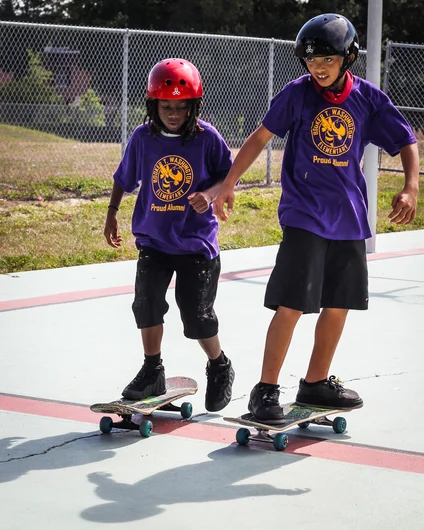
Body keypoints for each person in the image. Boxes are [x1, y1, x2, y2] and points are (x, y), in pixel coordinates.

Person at [214, 14, 419, 422]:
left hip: (348, 219)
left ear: (349, 57)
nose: (318, 68)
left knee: (339, 304)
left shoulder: (368, 99)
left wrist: (411, 186)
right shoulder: (297, 95)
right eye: (310, 61)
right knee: (291, 305)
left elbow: (406, 141)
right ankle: (265, 391)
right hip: (305, 215)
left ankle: (316, 383)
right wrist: (229, 182)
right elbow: (259, 138)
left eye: (326, 59)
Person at [104, 58, 235, 412]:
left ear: (193, 106)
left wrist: (209, 195)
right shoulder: (143, 138)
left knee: (196, 317)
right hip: (154, 241)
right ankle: (152, 370)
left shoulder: (207, 138)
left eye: (181, 106)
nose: (173, 113)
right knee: (146, 305)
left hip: (196, 245)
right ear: (153, 105)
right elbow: (124, 178)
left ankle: (219, 365)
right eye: (166, 106)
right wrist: (112, 212)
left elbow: (229, 175)